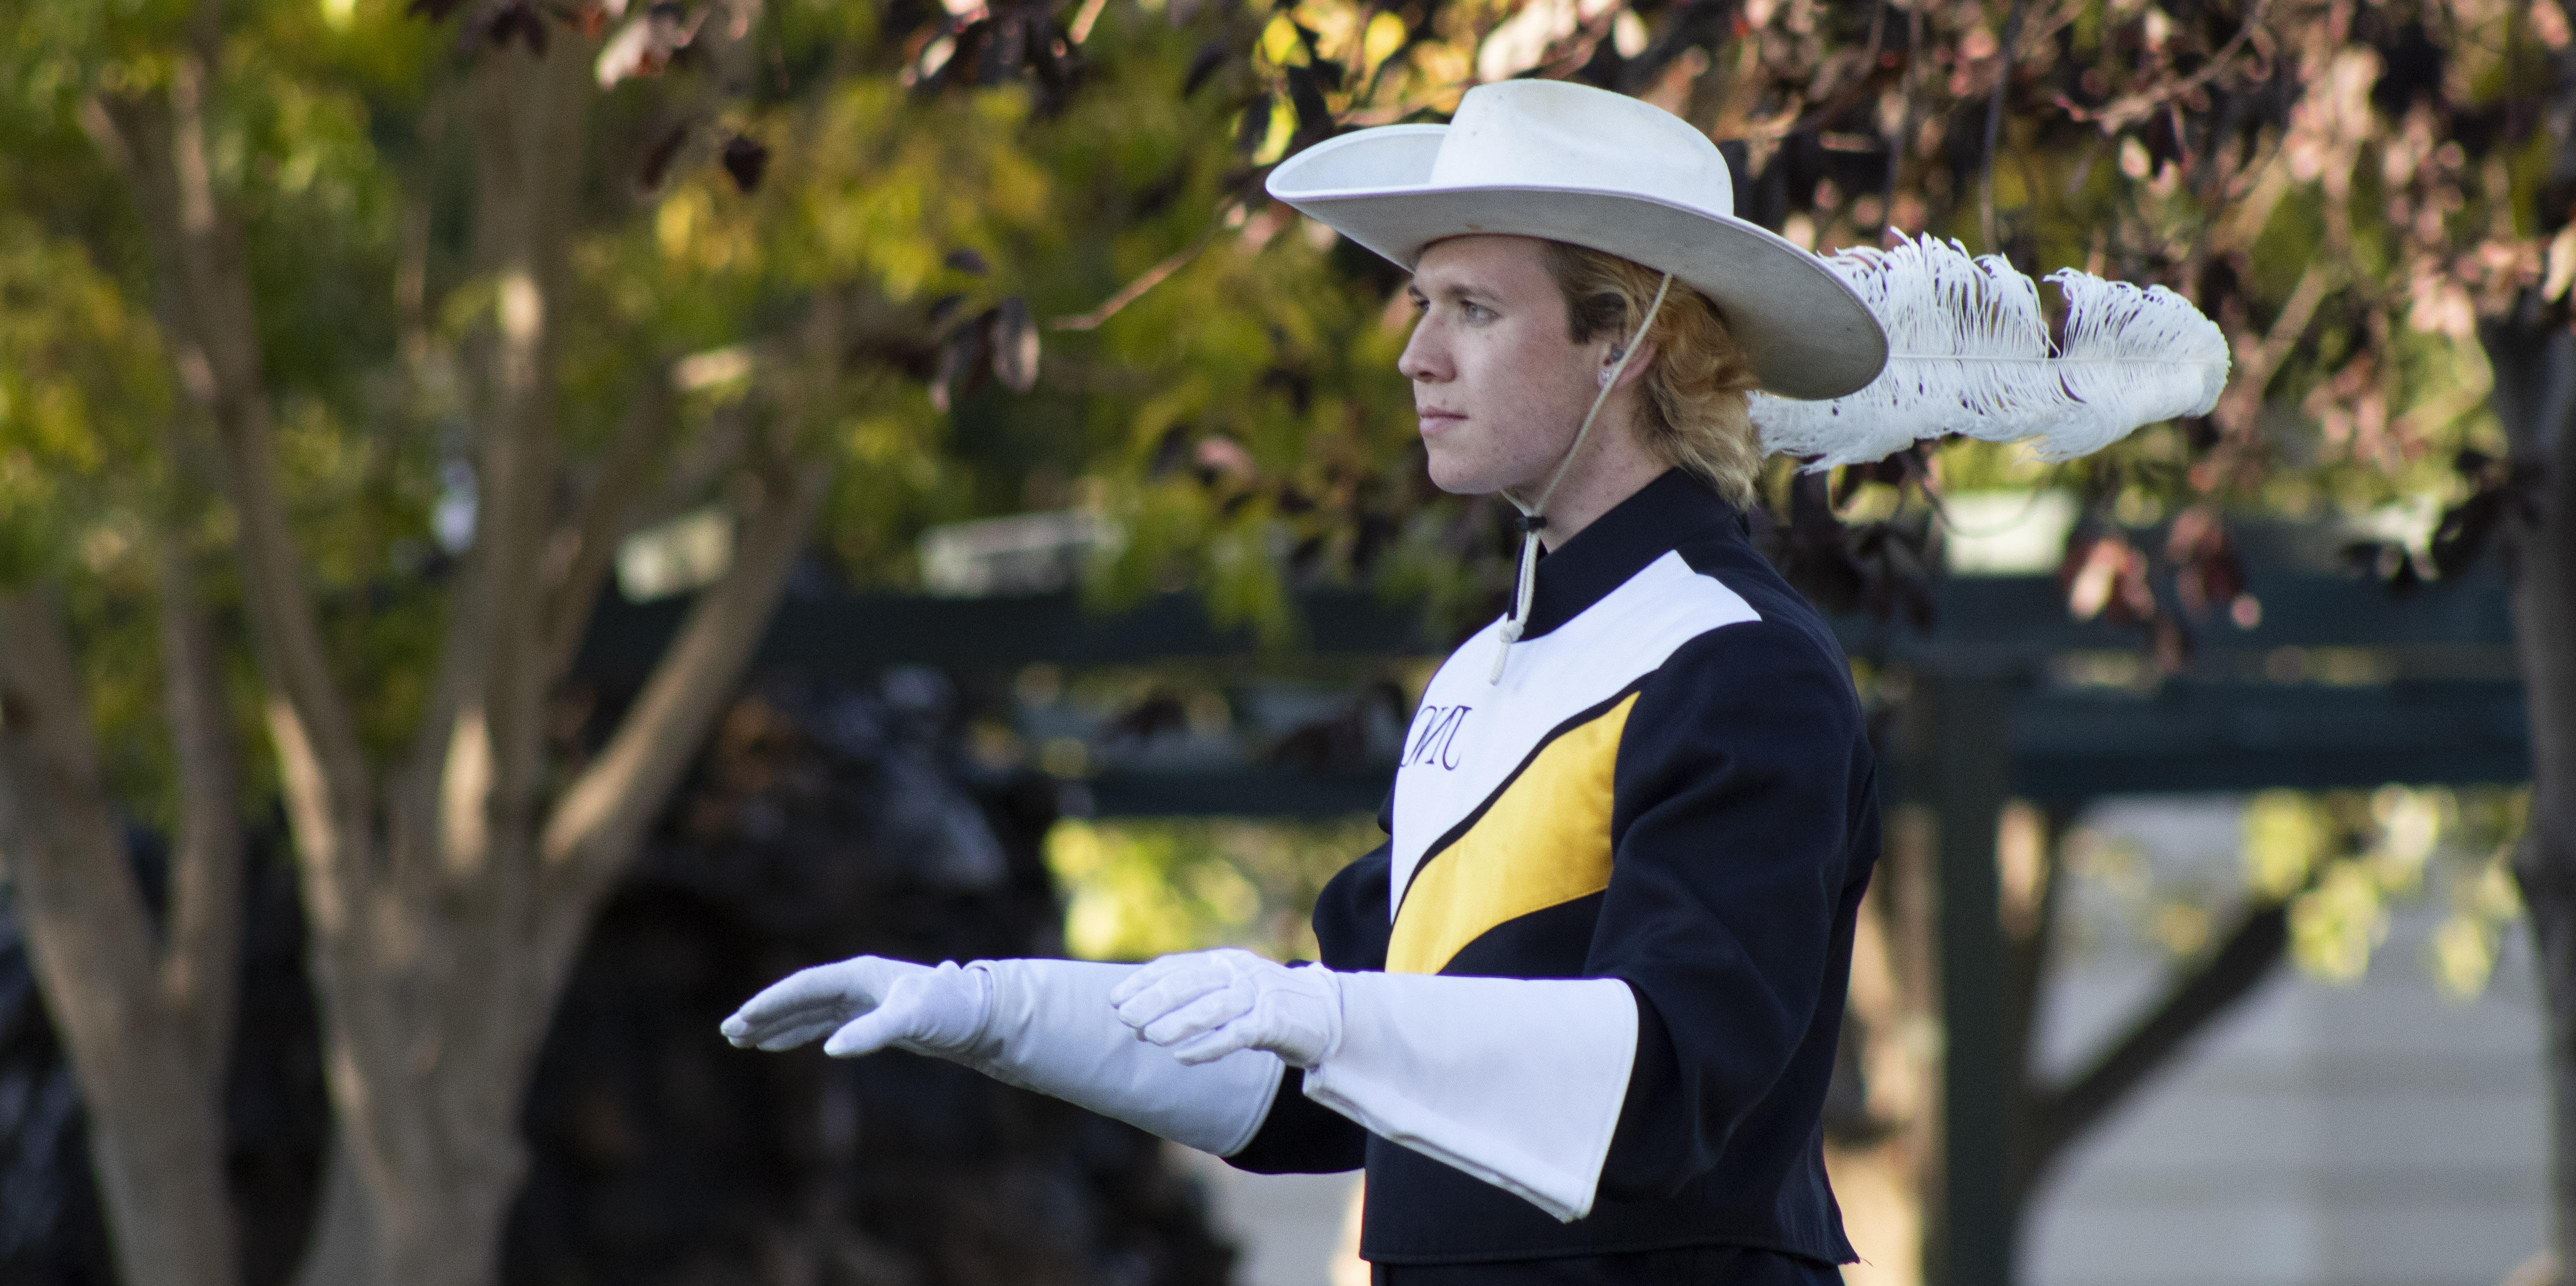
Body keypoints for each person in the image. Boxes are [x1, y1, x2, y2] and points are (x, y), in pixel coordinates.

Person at [725, 79, 2114, 1284]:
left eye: (1471, 308)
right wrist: (996, 1009)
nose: (1415, 353)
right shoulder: (1486, 672)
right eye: (1419, 304)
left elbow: (1662, 1081)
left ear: (1622, 342)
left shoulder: (1737, 664)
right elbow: (1311, 1090)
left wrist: (1330, 1013)